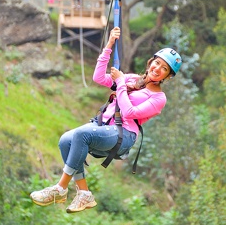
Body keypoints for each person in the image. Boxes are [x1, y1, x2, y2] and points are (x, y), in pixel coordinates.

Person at [30, 27, 182, 213]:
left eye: (164, 68)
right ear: (151, 62)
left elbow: (129, 111)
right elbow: (98, 77)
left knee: (81, 134)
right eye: (157, 63)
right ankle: (84, 193)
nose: (157, 69)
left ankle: (60, 188)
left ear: (168, 76)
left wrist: (120, 83)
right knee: (65, 141)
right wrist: (109, 45)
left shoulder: (159, 98)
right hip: (103, 125)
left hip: (124, 134)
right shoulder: (132, 79)